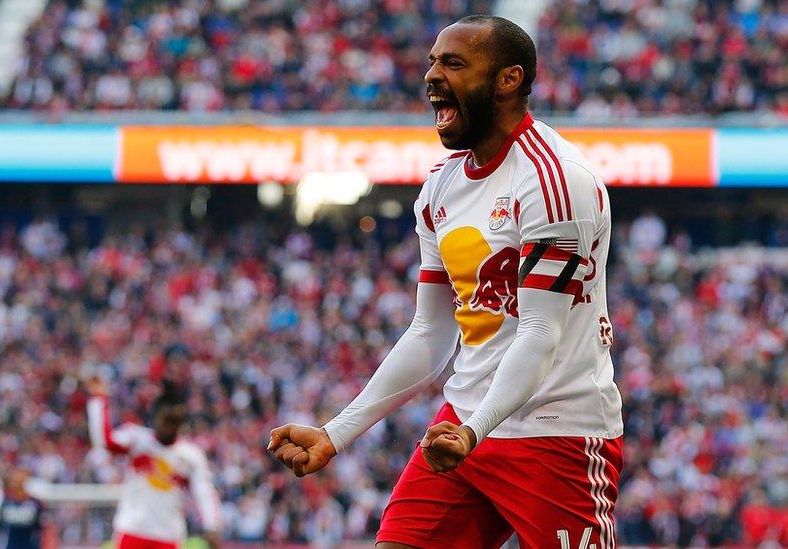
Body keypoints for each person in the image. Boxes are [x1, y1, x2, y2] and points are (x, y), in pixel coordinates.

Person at [268, 14, 623, 548]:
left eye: (453, 63)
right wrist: (335, 434)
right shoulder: (441, 187)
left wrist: (473, 430)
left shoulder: (554, 180)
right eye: (432, 61)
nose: (432, 75)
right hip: (462, 429)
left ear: (509, 79)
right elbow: (430, 332)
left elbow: (539, 333)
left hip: (557, 432)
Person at [86, 379, 222, 549]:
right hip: (133, 528)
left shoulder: (191, 455)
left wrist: (212, 526)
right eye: (166, 420)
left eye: (175, 422)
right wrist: (98, 400)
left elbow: (205, 492)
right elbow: (105, 443)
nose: (169, 427)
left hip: (169, 534)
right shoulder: (137, 439)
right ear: (155, 417)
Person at [0, 469, 45, 549]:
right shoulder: (6, 503)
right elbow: (0, 528)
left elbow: (41, 529)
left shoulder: (34, 504)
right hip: (11, 545)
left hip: (29, 545)